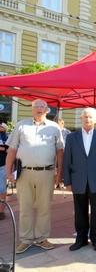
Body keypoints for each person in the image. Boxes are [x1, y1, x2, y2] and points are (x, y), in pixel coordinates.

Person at [5, 99, 64, 254]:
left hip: (47, 173)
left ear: (47, 110)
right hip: (24, 173)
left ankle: (41, 237)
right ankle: (26, 239)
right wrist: (8, 171)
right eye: (36, 106)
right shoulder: (21, 125)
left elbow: (60, 152)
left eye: (42, 107)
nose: (39, 109)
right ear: (32, 109)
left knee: (44, 206)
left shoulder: (54, 127)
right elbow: (12, 150)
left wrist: (60, 174)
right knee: (25, 207)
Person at [63, 108, 96, 252]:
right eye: (85, 117)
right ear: (81, 119)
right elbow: (67, 160)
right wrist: (67, 181)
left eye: (90, 117)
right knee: (79, 211)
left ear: (95, 119)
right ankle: (81, 239)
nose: (87, 119)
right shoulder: (72, 137)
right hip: (78, 180)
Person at [0, 122, 9, 220]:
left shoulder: (6, 136)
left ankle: (1, 211)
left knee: (2, 189)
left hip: (2, 165)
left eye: (2, 126)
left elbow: (9, 150)